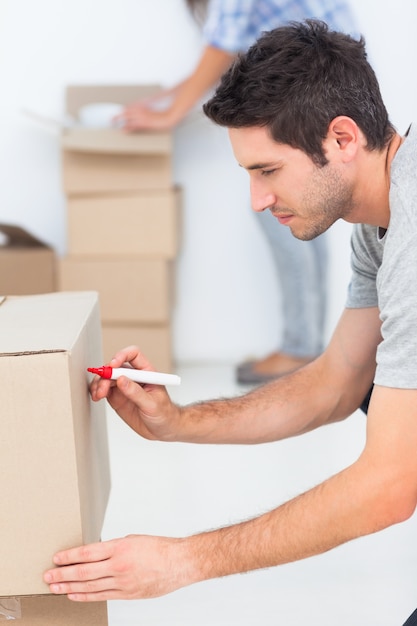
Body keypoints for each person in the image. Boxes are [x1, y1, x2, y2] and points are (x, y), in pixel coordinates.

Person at [44, 20, 417, 624]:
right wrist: (180, 423)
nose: (258, 200)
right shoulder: (382, 222)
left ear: (343, 139)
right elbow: (337, 383)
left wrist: (181, 562)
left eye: (267, 170)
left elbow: (390, 486)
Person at [118, 0, 358, 385]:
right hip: (331, 83)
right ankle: (308, 346)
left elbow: (222, 45)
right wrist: (165, 101)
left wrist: (169, 114)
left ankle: (300, 349)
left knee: (282, 207)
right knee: (303, 214)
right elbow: (222, 57)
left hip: (311, 87)